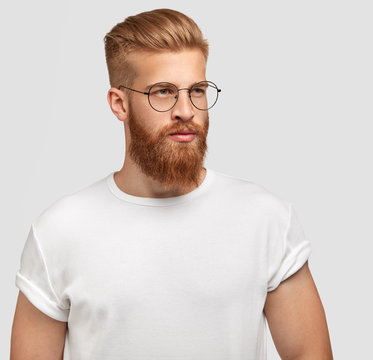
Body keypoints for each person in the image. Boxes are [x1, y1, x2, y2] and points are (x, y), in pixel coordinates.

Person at [10, 8, 332, 360]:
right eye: (163, 92)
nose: (186, 110)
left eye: (197, 89)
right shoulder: (59, 231)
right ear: (120, 104)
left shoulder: (266, 219)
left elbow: (309, 354)